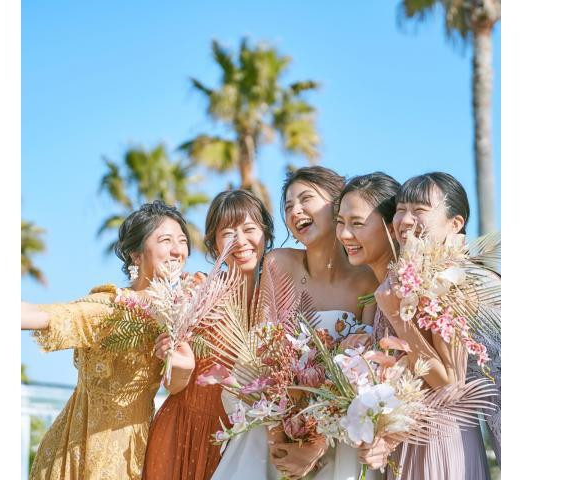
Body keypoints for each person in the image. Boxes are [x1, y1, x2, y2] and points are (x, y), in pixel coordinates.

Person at [22, 201, 196, 480]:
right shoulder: (113, 306)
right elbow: (47, 315)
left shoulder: (179, 314)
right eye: (166, 240)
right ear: (136, 255)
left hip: (135, 455)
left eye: (182, 241)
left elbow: (175, 386)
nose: (178, 250)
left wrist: (184, 366)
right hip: (79, 453)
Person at [350, 172, 495, 479]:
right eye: (400, 209)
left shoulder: (450, 281)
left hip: (442, 443)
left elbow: (449, 385)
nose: (405, 219)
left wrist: (396, 317)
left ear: (455, 224)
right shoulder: (401, 277)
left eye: (419, 210)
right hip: (406, 442)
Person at [142, 190, 274, 480]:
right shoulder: (197, 291)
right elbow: (173, 385)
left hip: (242, 443)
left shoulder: (278, 302)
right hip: (183, 433)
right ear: (214, 244)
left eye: (249, 229)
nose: (240, 241)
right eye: (228, 233)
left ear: (265, 233)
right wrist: (178, 364)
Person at [265, 166, 379, 480]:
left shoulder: (369, 280)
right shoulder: (278, 264)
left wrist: (316, 444)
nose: (295, 211)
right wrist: (280, 442)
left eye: (306, 199)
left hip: (342, 437)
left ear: (338, 206)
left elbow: (366, 376)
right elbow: (262, 357)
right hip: (279, 428)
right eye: (288, 205)